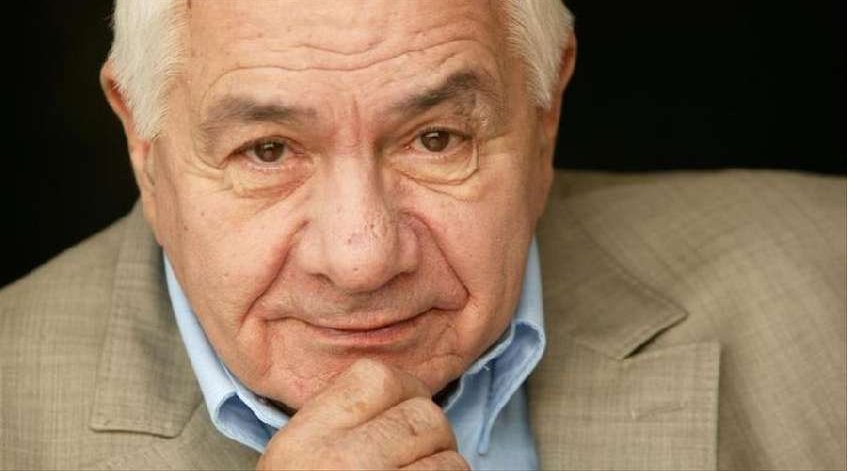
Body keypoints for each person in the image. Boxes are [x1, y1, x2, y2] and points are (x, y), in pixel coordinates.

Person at [0, 0, 844, 469]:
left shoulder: (830, 286)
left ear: (544, 117)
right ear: (144, 146)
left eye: (435, 138)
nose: (363, 258)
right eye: (268, 150)